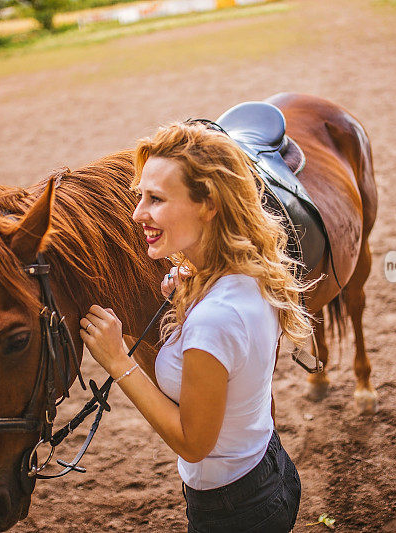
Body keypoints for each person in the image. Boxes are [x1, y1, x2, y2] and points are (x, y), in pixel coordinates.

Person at [79, 121, 312, 532]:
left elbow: (193, 443)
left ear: (207, 205)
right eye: (140, 197)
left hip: (233, 511)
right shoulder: (246, 270)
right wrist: (191, 290)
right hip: (266, 467)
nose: (138, 214)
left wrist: (118, 361)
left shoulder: (216, 317)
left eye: (156, 199)